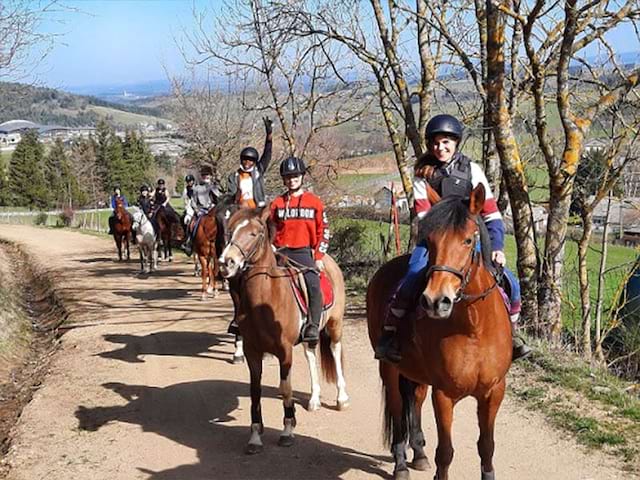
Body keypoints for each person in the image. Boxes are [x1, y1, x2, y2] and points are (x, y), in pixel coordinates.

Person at [374, 114, 531, 364]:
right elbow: (424, 217)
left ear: (456, 143)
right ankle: (390, 333)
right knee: (413, 274)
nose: (441, 147)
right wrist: (440, 236)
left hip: (468, 238)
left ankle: (512, 334)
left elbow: (491, 213)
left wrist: (497, 247)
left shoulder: (472, 169)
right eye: (436, 143)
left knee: (510, 282)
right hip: (435, 239)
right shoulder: (422, 174)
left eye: (446, 142)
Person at [269, 156, 329, 344]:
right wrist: (270, 245)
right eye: (287, 177)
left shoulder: (315, 202)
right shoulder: (277, 203)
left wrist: (318, 256)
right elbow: (270, 228)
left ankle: (312, 324)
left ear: (302, 176)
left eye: (295, 176)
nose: (291, 180)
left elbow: (324, 230)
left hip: (303, 252)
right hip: (280, 252)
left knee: (312, 282)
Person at [227, 117, 273, 208]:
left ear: (255, 162)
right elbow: (231, 195)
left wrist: (269, 135)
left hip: (258, 207)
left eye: (251, 160)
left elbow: (267, 153)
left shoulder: (258, 171)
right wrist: (237, 196)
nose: (247, 162)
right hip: (240, 208)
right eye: (245, 159)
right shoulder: (233, 177)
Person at [182, 165, 223, 256]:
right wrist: (197, 210)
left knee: (223, 223)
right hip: (201, 210)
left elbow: (219, 198)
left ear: (210, 176)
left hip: (213, 210)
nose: (206, 177)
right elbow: (193, 201)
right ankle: (189, 242)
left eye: (207, 175)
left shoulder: (214, 187)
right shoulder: (196, 188)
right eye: (204, 175)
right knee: (192, 224)